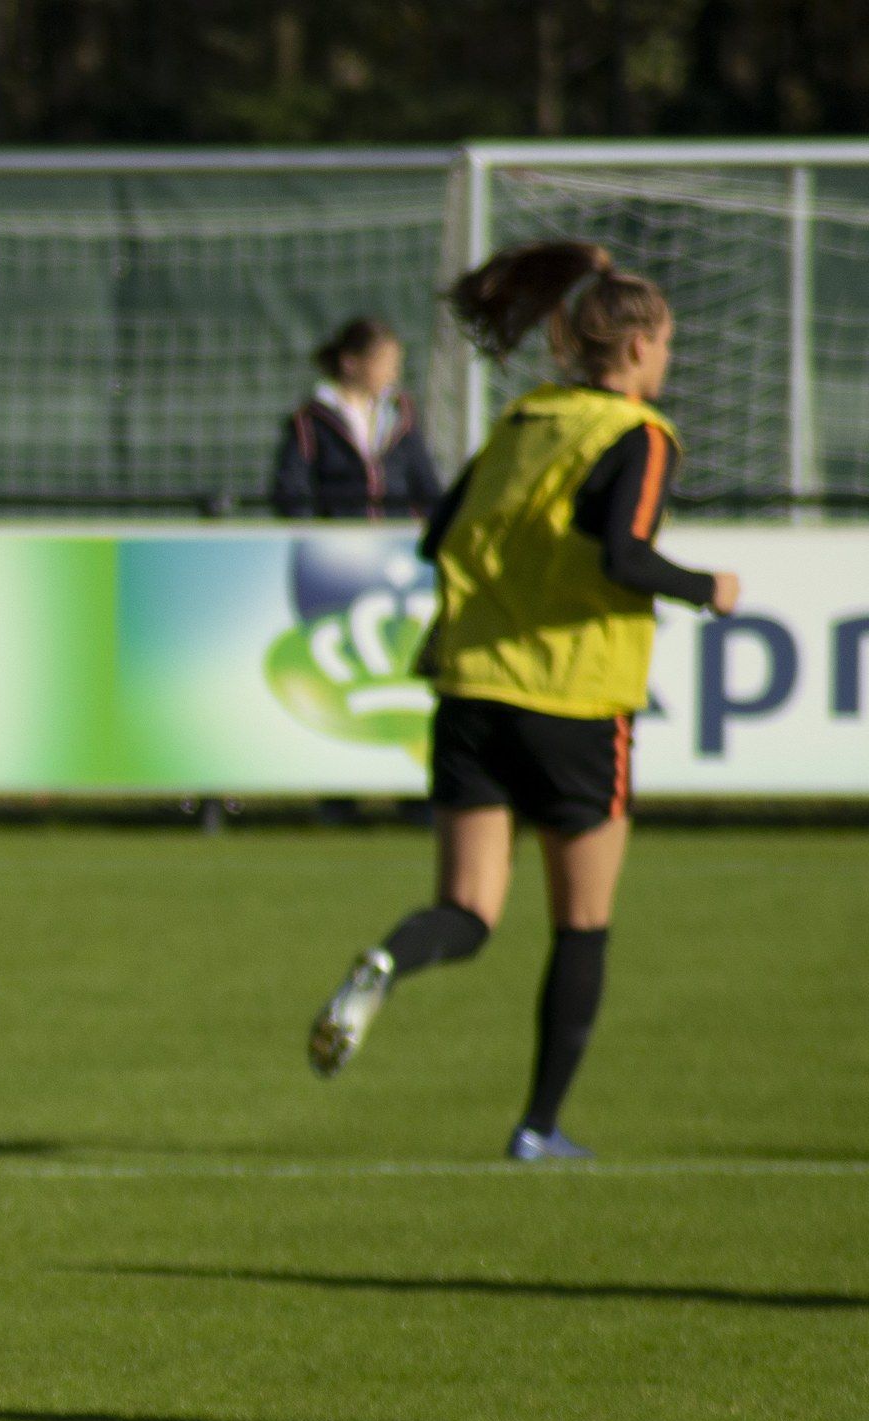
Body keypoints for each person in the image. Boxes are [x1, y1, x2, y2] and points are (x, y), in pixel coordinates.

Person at [306, 244, 739, 1159]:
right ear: (635, 348)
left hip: (471, 694)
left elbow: (436, 535)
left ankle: (386, 959)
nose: (668, 360)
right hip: (574, 701)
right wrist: (709, 588)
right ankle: (538, 1128)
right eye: (665, 343)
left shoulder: (524, 419)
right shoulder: (641, 436)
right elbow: (624, 556)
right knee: (582, 924)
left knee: (466, 913)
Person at [269, 315, 441, 517]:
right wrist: (314, 529)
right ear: (350, 363)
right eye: (383, 363)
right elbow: (292, 488)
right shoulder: (310, 421)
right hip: (339, 535)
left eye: (395, 364)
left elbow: (425, 484)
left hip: (394, 533)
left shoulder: (401, 415)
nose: (392, 374)